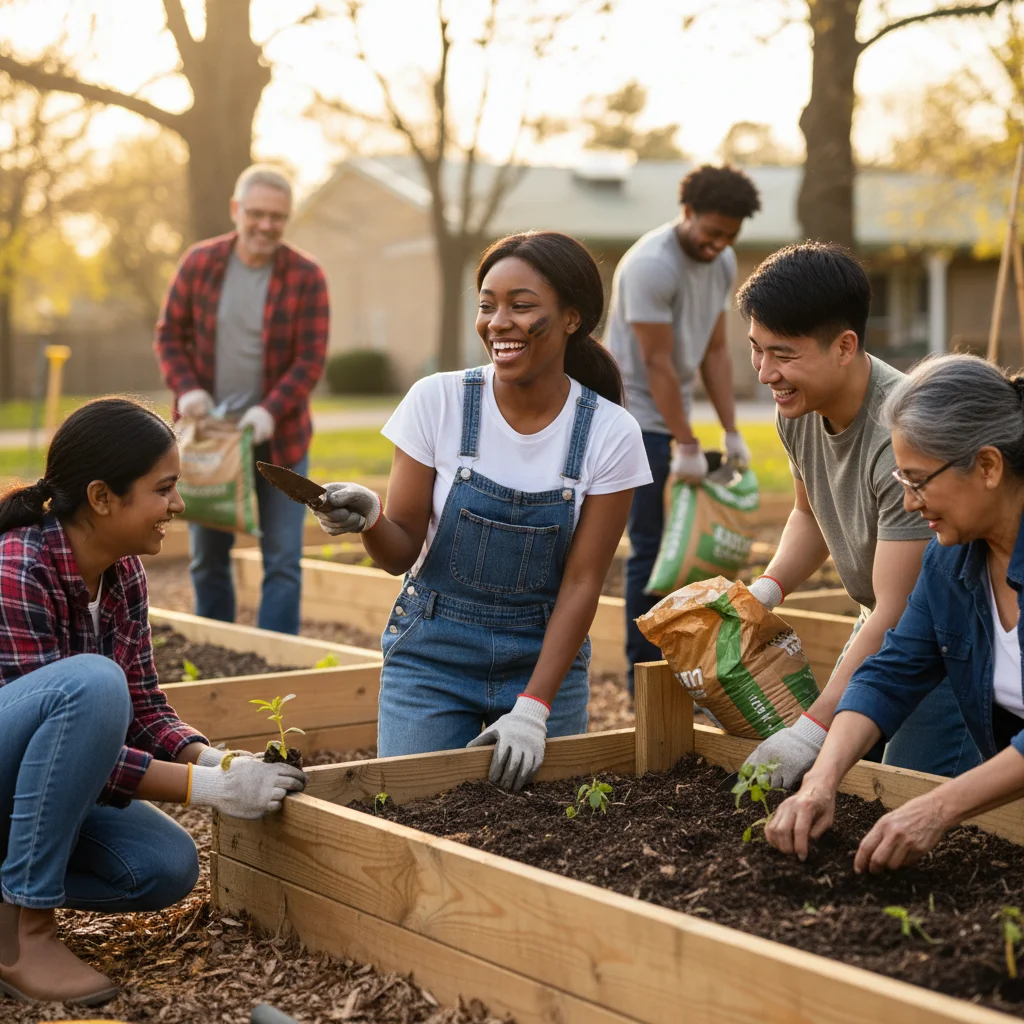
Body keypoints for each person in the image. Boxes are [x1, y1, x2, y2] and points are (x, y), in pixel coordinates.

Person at [313, 231, 652, 790]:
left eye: (522, 306)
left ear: (572, 318)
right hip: (432, 658)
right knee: (412, 818)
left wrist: (534, 707)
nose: (498, 322)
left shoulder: (609, 433)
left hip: (544, 658)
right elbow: (400, 554)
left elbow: (583, 583)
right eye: (487, 305)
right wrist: (372, 517)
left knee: (550, 837)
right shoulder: (437, 401)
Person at [0, 398, 305, 1007]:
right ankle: (20, 935)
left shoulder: (122, 572)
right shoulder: (17, 566)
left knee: (163, 866)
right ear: (102, 497)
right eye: (164, 489)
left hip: (26, 793)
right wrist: (208, 791)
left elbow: (142, 709)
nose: (179, 506)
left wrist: (217, 763)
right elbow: (72, 744)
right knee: (91, 681)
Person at [766, 355, 1024, 871]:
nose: (909, 503)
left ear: (989, 467)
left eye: (918, 480)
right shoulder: (949, 560)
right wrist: (821, 777)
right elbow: (891, 672)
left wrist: (938, 806)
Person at [736, 242, 977, 787]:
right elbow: (810, 512)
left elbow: (900, 608)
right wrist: (767, 591)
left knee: (897, 790)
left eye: (783, 354)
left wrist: (813, 727)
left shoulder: (905, 435)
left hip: (945, 637)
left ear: (845, 346)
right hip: (886, 620)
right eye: (756, 349)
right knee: (850, 772)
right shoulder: (798, 405)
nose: (764, 372)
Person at [605, 164, 762, 693]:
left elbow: (716, 349)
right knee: (651, 547)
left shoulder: (720, 262)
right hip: (634, 417)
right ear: (687, 212)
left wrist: (730, 429)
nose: (719, 245)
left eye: (730, 236)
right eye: (711, 232)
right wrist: (686, 442)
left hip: (672, 412)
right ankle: (643, 680)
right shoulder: (651, 265)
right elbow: (655, 363)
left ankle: (686, 667)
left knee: (690, 549)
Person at [155, 164, 329, 635]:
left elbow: (311, 358)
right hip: (209, 442)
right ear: (236, 210)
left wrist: (269, 411)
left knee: (283, 560)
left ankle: (276, 660)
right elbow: (170, 335)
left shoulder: (306, 276)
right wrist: (187, 388)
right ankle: (222, 649)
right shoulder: (200, 263)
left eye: (277, 217)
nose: (266, 226)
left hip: (280, 441)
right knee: (207, 560)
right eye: (256, 214)